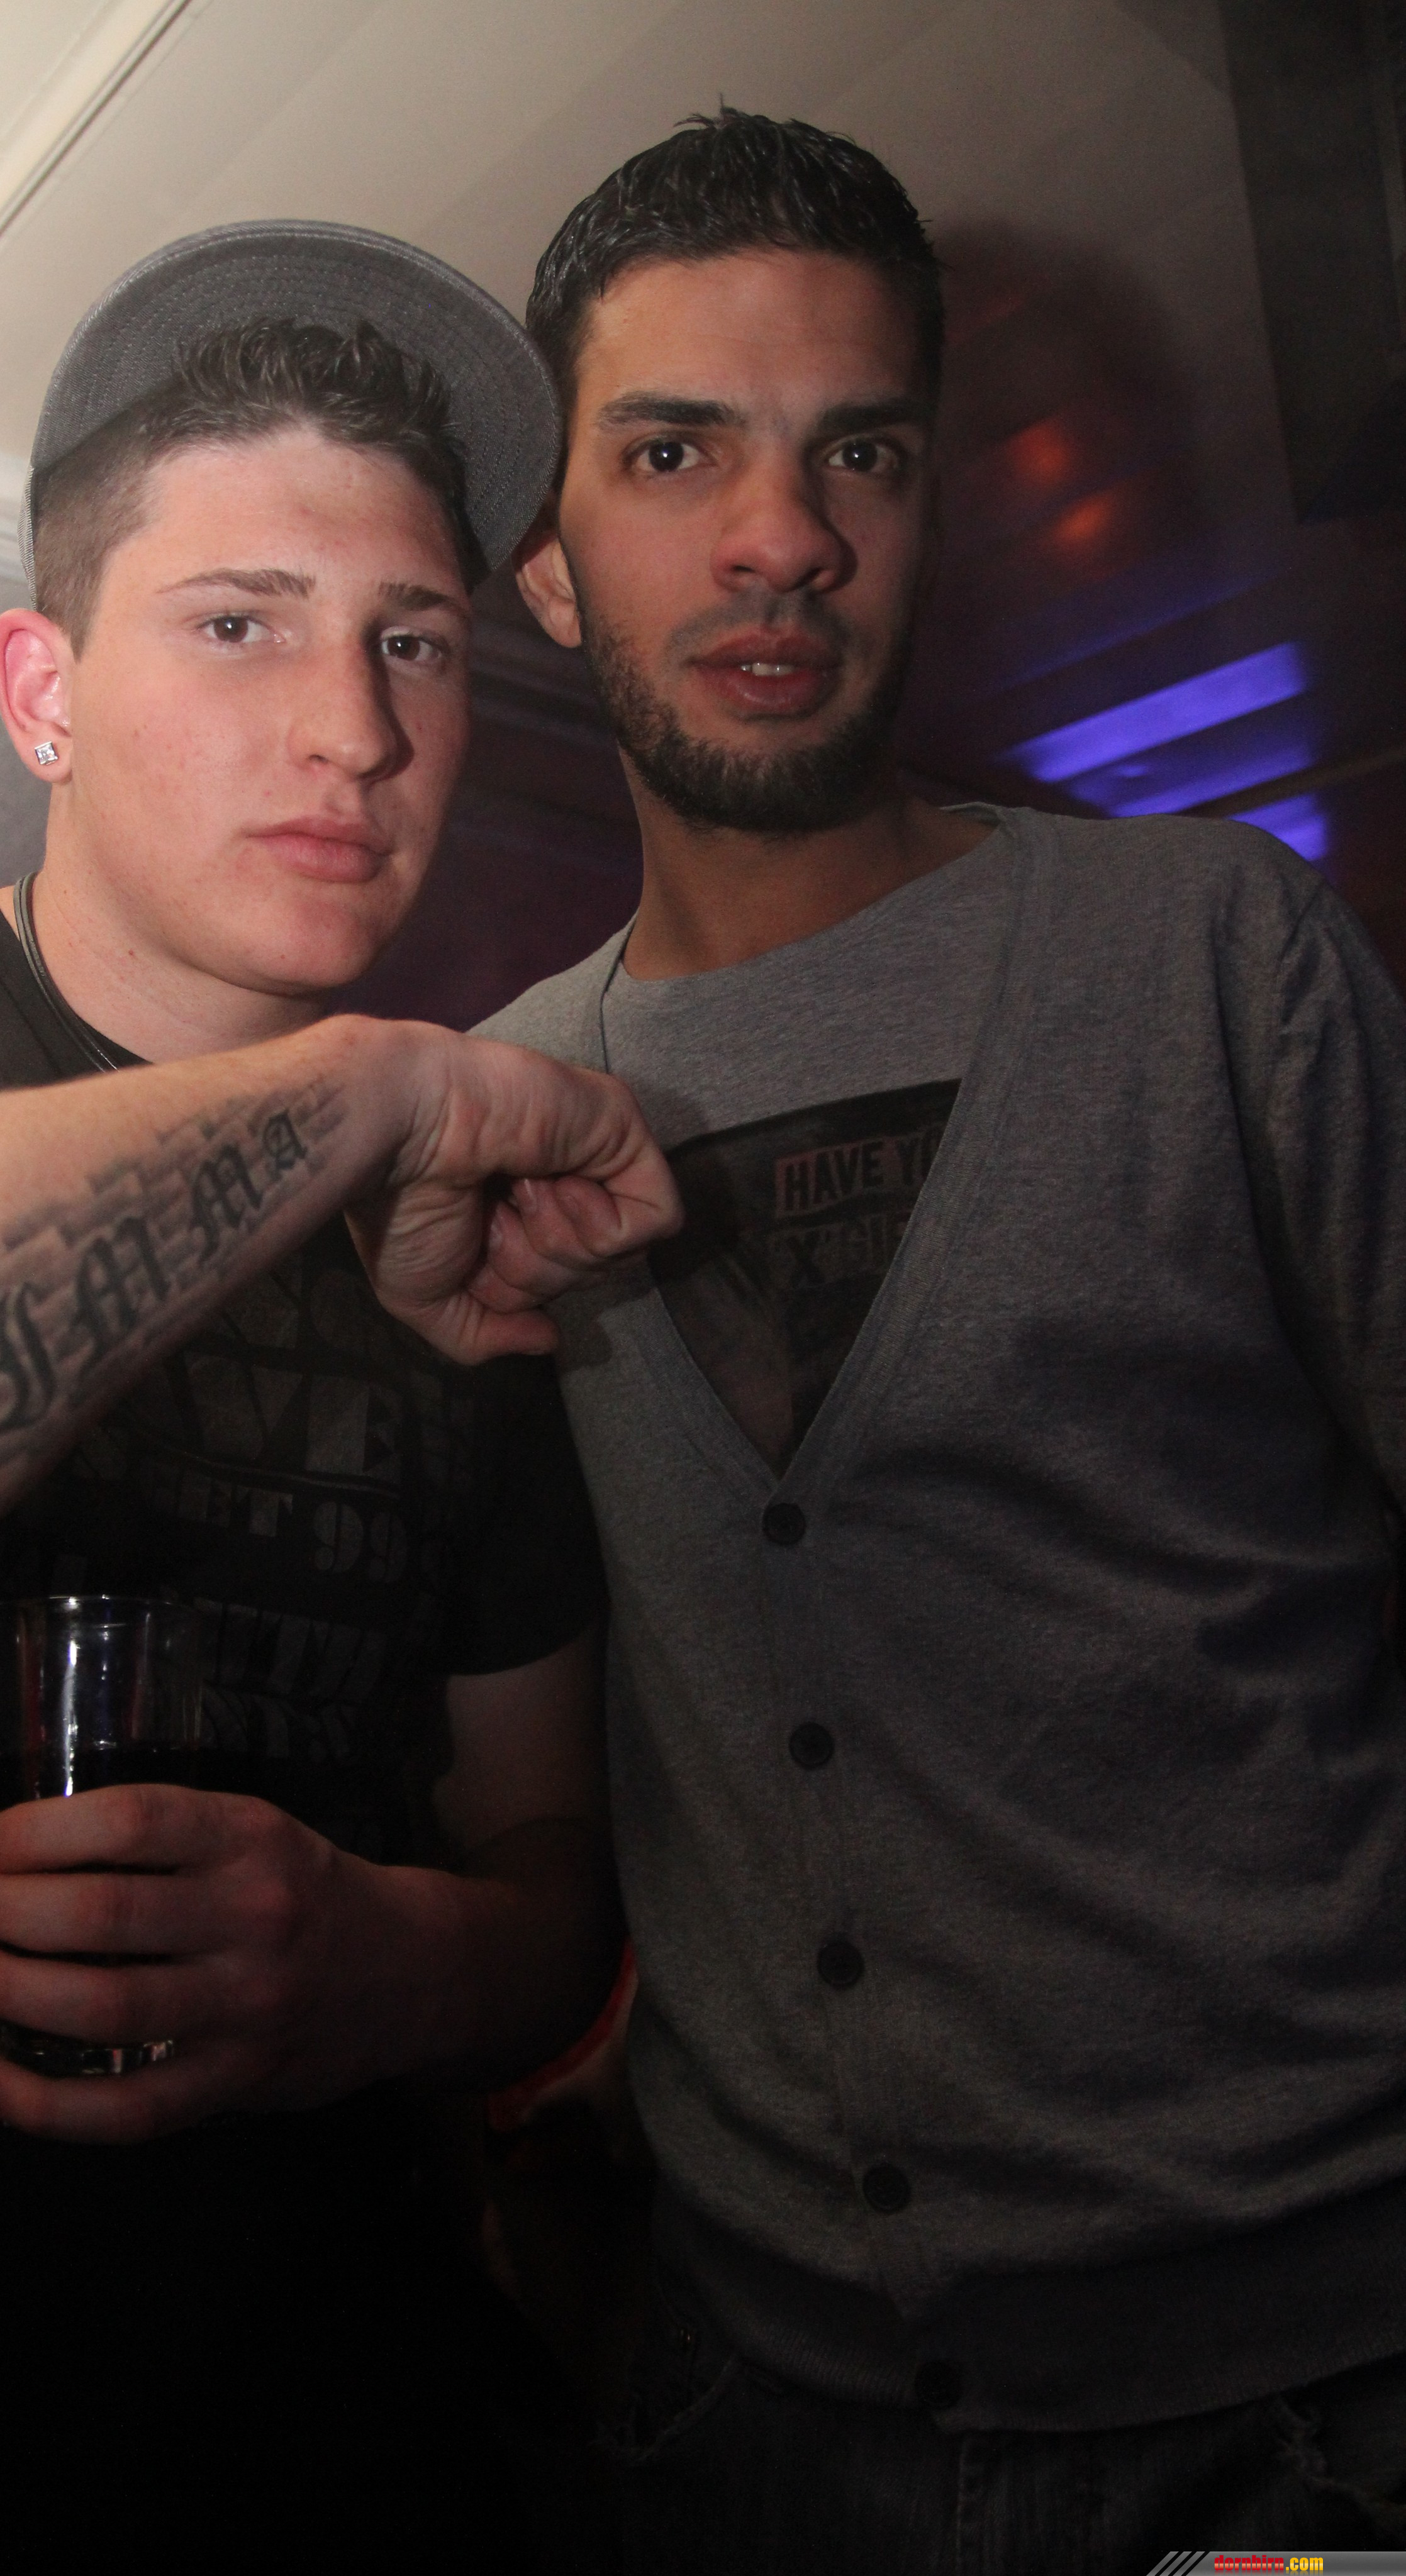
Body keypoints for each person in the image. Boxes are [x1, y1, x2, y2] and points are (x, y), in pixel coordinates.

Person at [0, 222, 678, 2560]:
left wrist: (388, 1966)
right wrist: (368, 1091)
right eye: (240, 623)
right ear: (39, 691)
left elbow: (553, 1876)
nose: (357, 728)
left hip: (324, 2454)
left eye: (411, 642)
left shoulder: (479, 1245)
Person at [482, 109, 1406, 2568]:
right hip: (759, 2424)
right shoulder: (475, 1104)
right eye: (671, 453)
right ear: (544, 564)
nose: (780, 535)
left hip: (1310, 2408)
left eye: (858, 452)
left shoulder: (1215, 951)